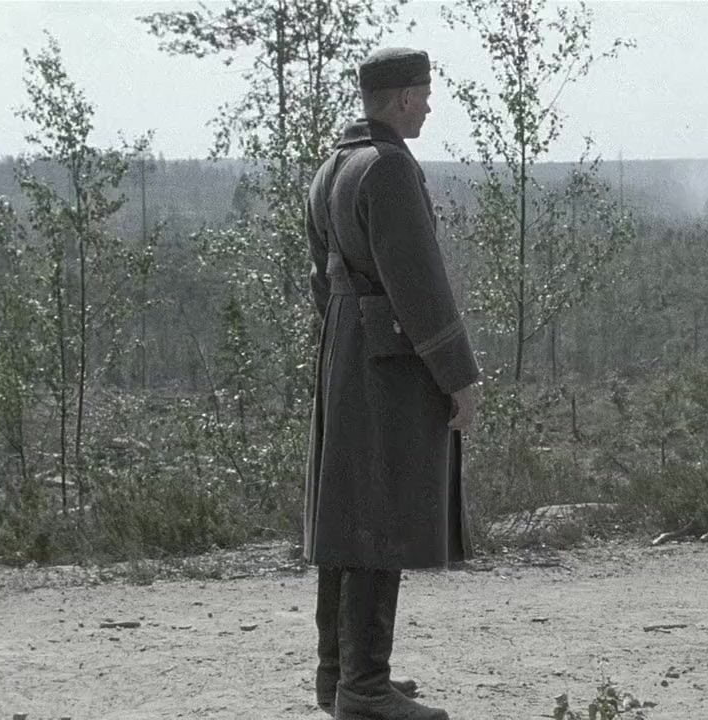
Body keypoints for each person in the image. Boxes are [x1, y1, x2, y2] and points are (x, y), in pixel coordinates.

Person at [303, 47, 480, 720]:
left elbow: (320, 280)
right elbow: (419, 283)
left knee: (348, 519)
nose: (429, 106)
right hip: (387, 360)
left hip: (346, 349)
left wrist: (345, 339)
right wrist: (457, 376)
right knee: (378, 519)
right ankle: (366, 690)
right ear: (404, 97)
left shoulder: (333, 166)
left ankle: (339, 678)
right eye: (424, 94)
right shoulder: (389, 166)